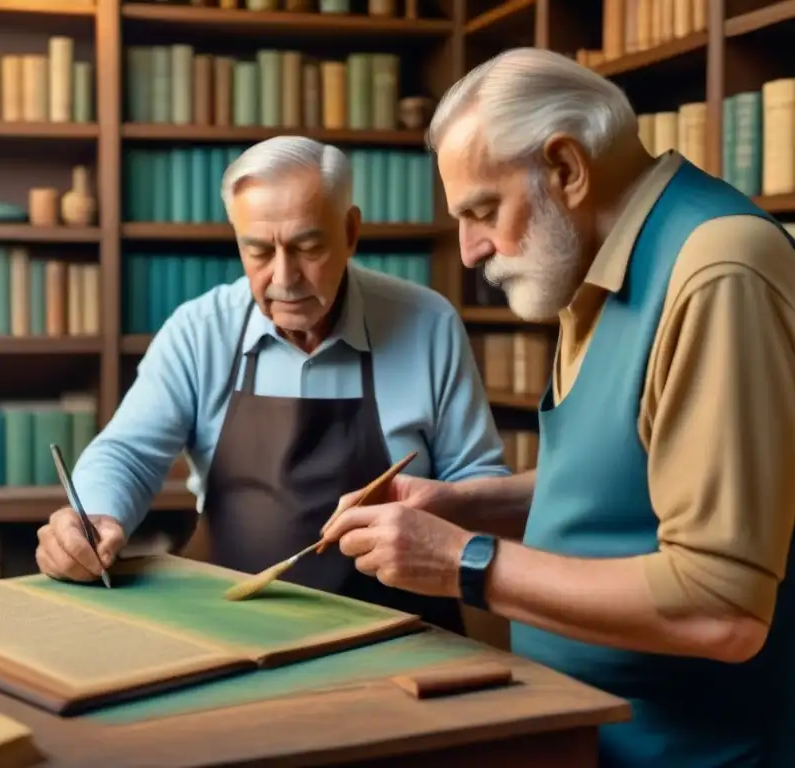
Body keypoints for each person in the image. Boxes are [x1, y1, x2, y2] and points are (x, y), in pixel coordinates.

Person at [320, 48, 795, 767]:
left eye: (483, 211)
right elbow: (643, 483)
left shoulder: (718, 269)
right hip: (588, 734)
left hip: (693, 751)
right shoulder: (591, 262)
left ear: (566, 169)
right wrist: (468, 505)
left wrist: (462, 562)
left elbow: (721, 610)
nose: (471, 251)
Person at [34, 135, 509, 633]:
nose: (285, 277)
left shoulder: (427, 323)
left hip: (403, 634)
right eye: (258, 251)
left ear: (350, 232)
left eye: (309, 247)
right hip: (233, 631)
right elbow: (128, 453)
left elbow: (480, 483)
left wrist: (446, 523)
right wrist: (93, 521)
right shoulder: (200, 329)